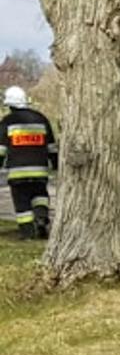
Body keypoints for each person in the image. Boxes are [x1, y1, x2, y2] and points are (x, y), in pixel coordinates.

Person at [0, 86, 54, 240]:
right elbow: (52, 147)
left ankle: (27, 233)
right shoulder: (41, 119)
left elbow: (1, 149)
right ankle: (42, 217)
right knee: (40, 195)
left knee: (22, 202)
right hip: (40, 170)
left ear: (10, 105)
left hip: (18, 172)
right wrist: (55, 163)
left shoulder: (7, 122)